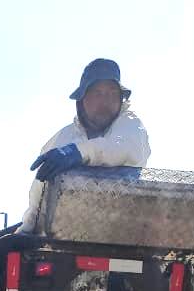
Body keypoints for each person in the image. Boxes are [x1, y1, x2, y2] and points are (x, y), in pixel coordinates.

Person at [21, 58, 151, 232]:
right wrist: (27, 228)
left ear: (121, 99)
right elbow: (39, 191)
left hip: (123, 233)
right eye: (97, 92)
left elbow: (127, 149)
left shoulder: (130, 125)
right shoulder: (61, 139)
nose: (105, 100)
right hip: (61, 237)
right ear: (81, 99)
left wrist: (78, 152)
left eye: (112, 93)